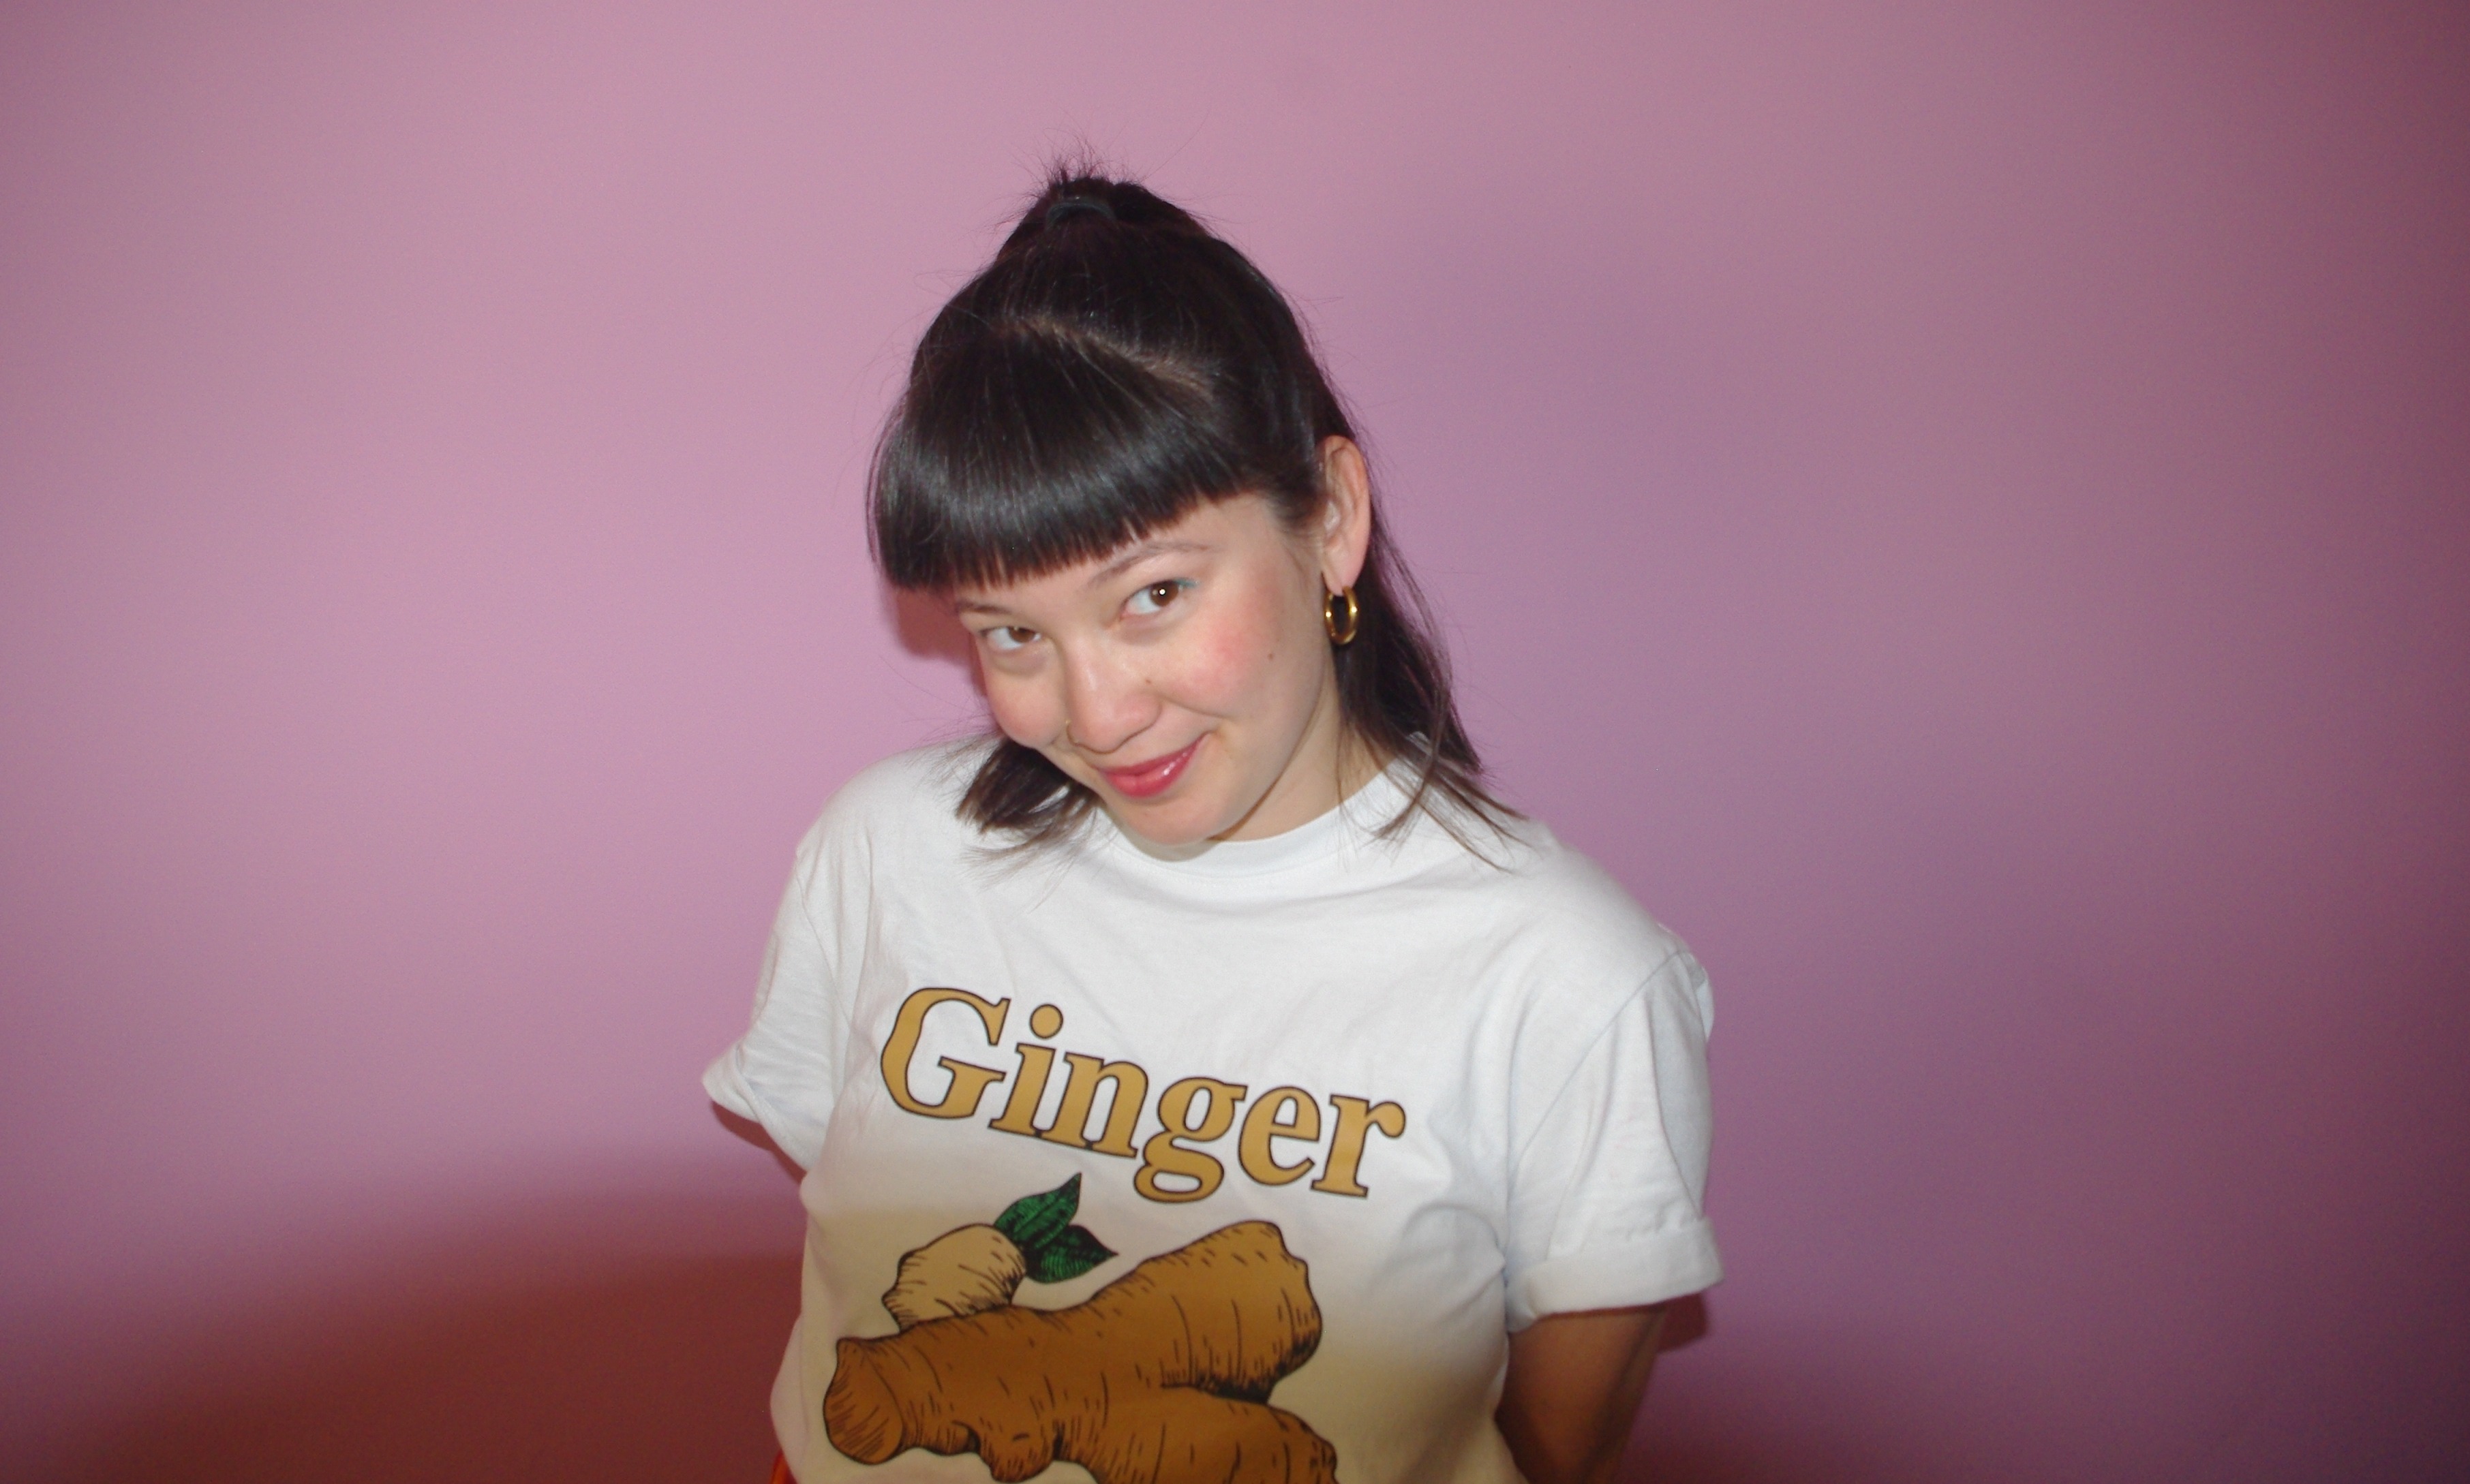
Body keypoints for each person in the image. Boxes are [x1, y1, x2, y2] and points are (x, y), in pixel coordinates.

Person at [706, 170, 1720, 1484]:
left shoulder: (1570, 983)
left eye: (1155, 596)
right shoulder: (888, 854)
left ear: (1331, 520)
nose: (1098, 712)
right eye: (1011, 633)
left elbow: (1547, 1450)